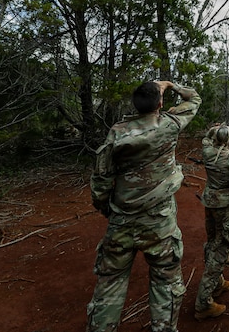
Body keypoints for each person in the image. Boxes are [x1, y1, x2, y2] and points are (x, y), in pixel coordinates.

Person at [86, 80, 201, 332]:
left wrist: (107, 208)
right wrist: (170, 85)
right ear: (160, 103)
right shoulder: (169, 125)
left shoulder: (117, 131)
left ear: (134, 105)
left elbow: (101, 179)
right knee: (166, 282)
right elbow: (194, 100)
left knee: (109, 286)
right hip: (160, 223)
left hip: (121, 221)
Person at [194, 124, 229, 320]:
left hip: (210, 202)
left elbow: (206, 138)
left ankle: (218, 283)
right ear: (228, 139)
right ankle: (203, 302)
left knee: (212, 240)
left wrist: (212, 130)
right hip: (225, 206)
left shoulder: (207, 151)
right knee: (222, 247)